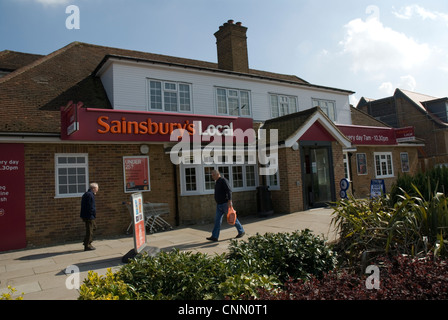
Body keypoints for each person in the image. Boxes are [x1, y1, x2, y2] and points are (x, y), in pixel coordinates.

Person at [207, 170, 245, 241]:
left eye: (213, 175)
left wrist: (230, 201)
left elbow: (229, 190)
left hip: (225, 204)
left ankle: (241, 231)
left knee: (232, 219)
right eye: (212, 175)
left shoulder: (223, 180)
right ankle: (215, 236)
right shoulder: (217, 182)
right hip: (219, 205)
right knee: (217, 220)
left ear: (218, 174)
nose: (212, 176)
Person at [80, 183, 99, 251]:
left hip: (87, 215)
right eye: (97, 188)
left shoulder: (88, 194)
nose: (97, 190)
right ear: (93, 188)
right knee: (90, 230)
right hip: (89, 216)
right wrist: (93, 214)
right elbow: (91, 207)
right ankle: (87, 245)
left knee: (94, 227)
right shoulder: (90, 195)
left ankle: (86, 242)